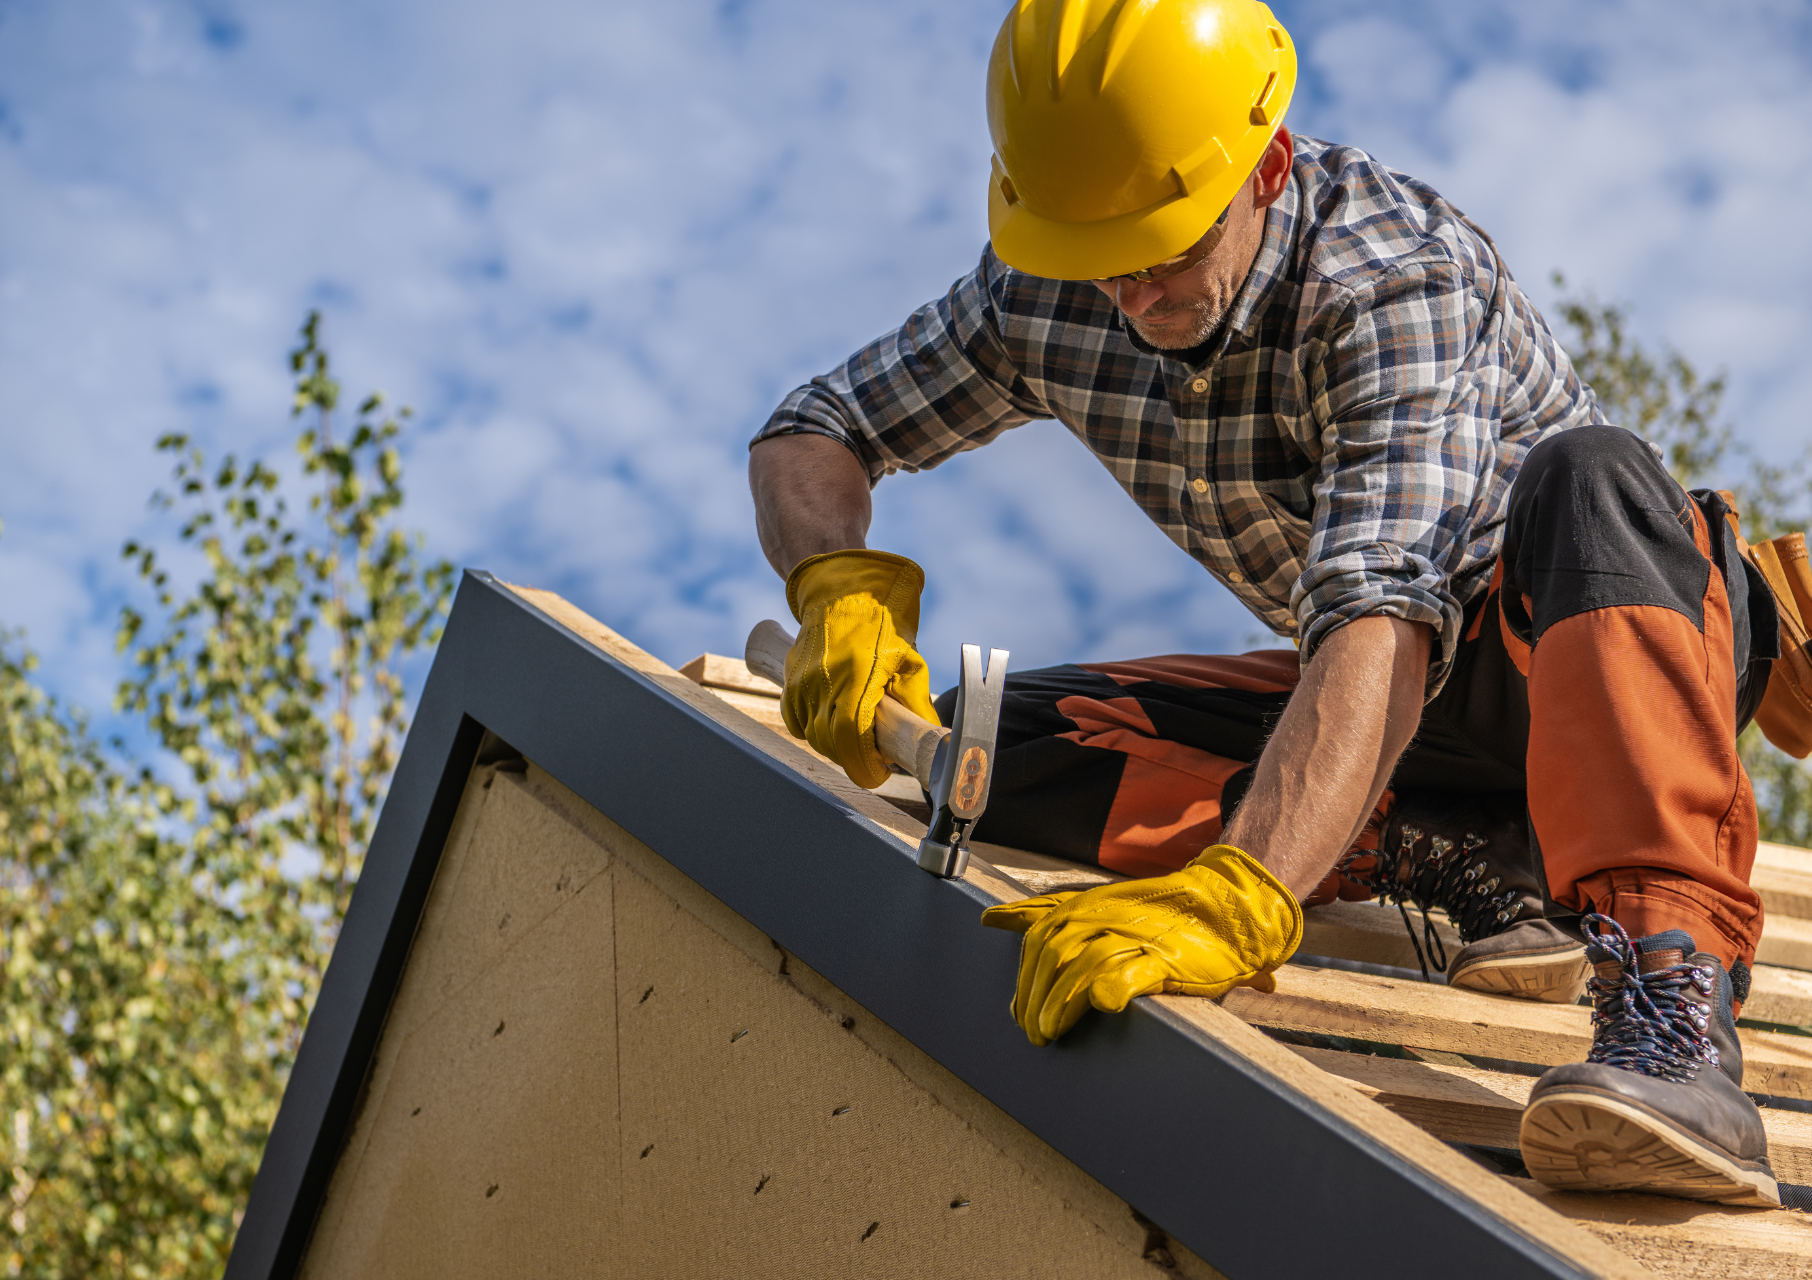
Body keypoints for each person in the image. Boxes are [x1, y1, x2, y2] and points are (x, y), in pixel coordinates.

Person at [747, 0, 1781, 1207]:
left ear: (1267, 165)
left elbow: (1380, 613)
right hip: (1397, 703)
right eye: (1098, 255)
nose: (1130, 292)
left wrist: (1249, 885)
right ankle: (1446, 843)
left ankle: (1676, 1014)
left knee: (1596, 477)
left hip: (1584, 649)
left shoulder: (1391, 280)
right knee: (993, 743)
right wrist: (837, 584)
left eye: (1165, 248)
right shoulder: (1048, 285)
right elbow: (815, 429)